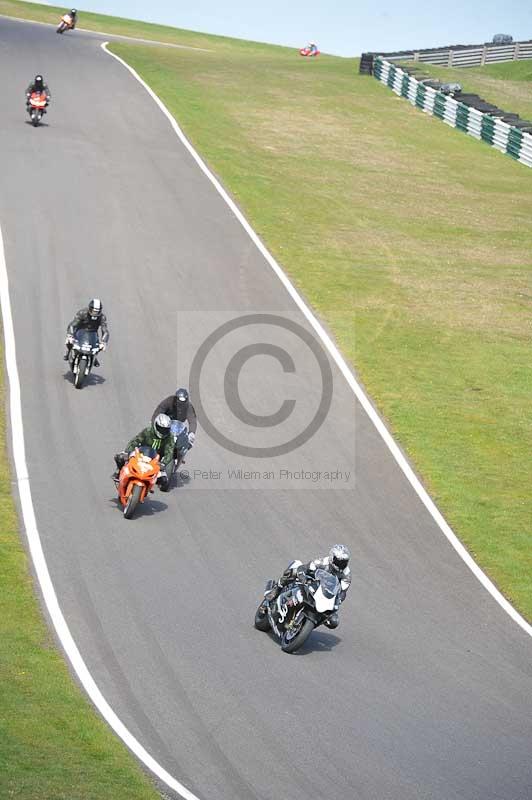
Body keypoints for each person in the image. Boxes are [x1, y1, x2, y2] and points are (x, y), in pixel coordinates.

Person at [259, 544, 351, 629]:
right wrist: (302, 576)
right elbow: (305, 568)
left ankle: (305, 624)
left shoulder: (347, 574)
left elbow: (343, 592)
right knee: (293, 571)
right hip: (312, 582)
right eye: (338, 561)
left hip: (325, 594)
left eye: (344, 562)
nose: (340, 564)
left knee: (333, 621)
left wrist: (338, 600)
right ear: (332, 558)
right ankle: (276, 589)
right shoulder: (323, 562)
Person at [113, 414, 175, 491]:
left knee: (164, 481)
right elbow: (135, 441)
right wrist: (127, 452)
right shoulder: (147, 431)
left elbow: (170, 451)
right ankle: (118, 473)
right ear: (155, 425)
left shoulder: (170, 437)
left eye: (165, 429)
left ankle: (149, 485)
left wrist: (163, 463)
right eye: (161, 428)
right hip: (141, 453)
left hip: (156, 460)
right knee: (120, 458)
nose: (163, 431)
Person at [151, 388, 197, 462]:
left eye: (183, 403)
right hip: (164, 423)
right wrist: (154, 423)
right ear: (175, 400)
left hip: (177, 427)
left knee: (188, 443)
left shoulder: (189, 407)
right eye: (179, 402)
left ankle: (179, 456)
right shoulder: (169, 401)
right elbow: (159, 410)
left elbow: (193, 420)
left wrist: (192, 433)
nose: (181, 405)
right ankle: (151, 452)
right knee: (154, 437)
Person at [63, 299, 109, 365]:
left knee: (99, 346)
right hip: (79, 331)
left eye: (97, 311)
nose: (95, 313)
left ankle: (94, 357)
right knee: (69, 342)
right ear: (90, 308)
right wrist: (70, 335)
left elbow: (105, 330)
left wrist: (104, 342)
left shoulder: (102, 317)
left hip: (93, 333)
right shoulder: (82, 313)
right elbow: (73, 324)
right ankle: (68, 352)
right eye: (94, 311)